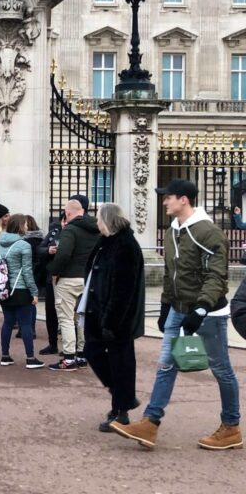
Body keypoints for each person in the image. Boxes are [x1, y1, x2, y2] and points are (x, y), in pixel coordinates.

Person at [111, 179, 242, 451]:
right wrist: (165, 305)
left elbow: (217, 274)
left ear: (184, 199)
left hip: (209, 314)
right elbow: (172, 275)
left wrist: (202, 307)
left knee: (221, 370)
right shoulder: (173, 231)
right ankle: (150, 423)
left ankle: (231, 427)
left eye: (168, 197)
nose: (164, 201)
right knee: (166, 366)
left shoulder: (208, 231)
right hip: (177, 310)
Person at [81, 204, 145, 433]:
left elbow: (124, 289)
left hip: (116, 318)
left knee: (121, 364)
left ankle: (121, 410)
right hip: (98, 312)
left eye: (99, 218)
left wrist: (111, 321)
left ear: (107, 220)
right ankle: (123, 396)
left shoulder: (126, 246)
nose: (96, 222)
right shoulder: (106, 242)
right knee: (92, 352)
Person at [47, 195, 100, 371]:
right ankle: (81, 354)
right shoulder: (96, 229)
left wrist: (54, 271)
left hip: (69, 277)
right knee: (81, 318)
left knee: (66, 317)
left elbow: (63, 255)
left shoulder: (70, 230)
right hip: (87, 278)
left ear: (68, 213)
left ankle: (69, 357)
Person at [0, 214, 43, 369]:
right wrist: (34, 292)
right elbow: (27, 272)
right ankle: (30, 358)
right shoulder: (24, 245)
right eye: (25, 224)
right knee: (26, 324)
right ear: (20, 226)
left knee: (8, 322)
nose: (27, 227)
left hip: (4, 288)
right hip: (21, 289)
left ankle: (5, 356)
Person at [35, 211, 65, 355]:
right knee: (51, 312)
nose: (64, 223)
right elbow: (39, 249)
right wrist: (48, 250)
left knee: (67, 315)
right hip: (51, 277)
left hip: (67, 278)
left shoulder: (76, 233)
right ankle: (52, 344)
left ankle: (70, 348)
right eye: (63, 220)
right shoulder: (54, 232)